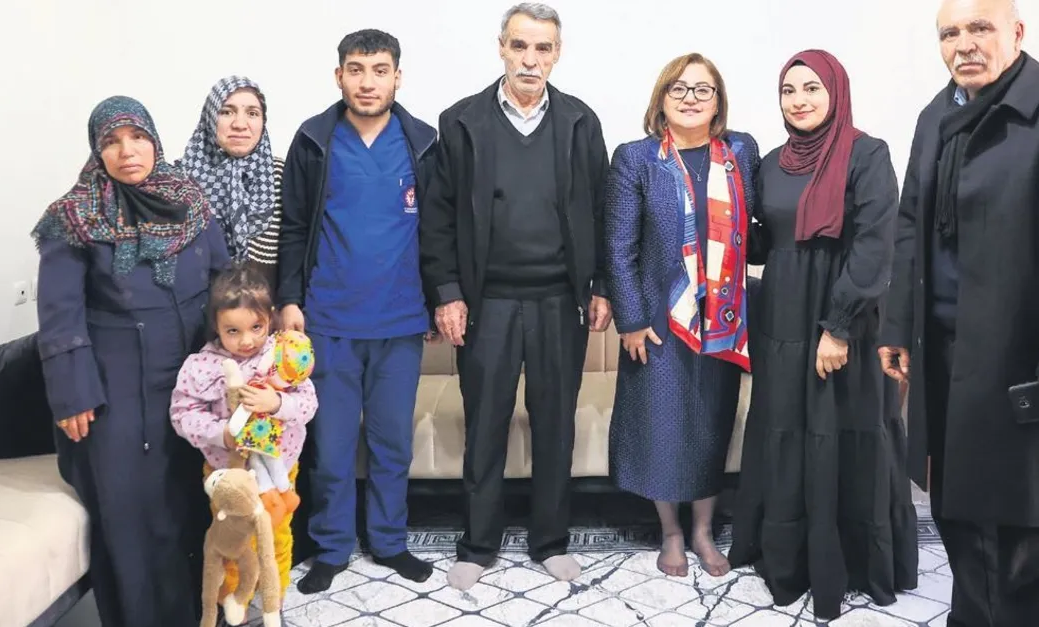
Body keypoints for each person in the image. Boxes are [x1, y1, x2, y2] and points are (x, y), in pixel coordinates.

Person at [878, 1, 1039, 624]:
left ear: (1016, 33)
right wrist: (897, 325)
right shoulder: (935, 117)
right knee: (960, 519)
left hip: (1026, 361)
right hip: (944, 359)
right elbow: (909, 226)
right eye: (950, 33)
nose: (964, 44)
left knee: (1020, 542)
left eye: (980, 27)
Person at [420, 2, 611, 591]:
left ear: (557, 54)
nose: (530, 59)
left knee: (555, 424)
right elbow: (438, 217)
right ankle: (478, 545)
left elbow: (602, 210)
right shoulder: (460, 122)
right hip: (488, 303)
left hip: (560, 300)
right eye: (520, 46)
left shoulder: (580, 121)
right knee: (486, 423)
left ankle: (550, 541)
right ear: (501, 47)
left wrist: (601, 285)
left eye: (542, 48)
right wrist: (447, 293)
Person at [726, 50, 918, 621]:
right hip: (782, 315)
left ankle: (851, 561)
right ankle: (787, 557)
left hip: (844, 318)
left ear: (835, 91)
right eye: (789, 90)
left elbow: (874, 246)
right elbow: (766, 241)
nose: (799, 100)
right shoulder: (771, 163)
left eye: (812, 87)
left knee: (844, 429)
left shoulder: (866, 154)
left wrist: (837, 329)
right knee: (785, 428)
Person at [32, 95, 230, 627]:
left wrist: (243, 358)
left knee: (195, 498)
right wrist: (73, 394)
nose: (127, 151)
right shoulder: (72, 217)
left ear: (155, 141)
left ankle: (202, 614)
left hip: (193, 378)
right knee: (133, 513)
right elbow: (60, 315)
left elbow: (224, 282)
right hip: (117, 387)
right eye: (112, 142)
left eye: (137, 137)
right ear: (97, 152)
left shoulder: (188, 198)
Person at [276, 28, 439, 593]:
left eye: (379, 70)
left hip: (401, 320)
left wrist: (442, 297)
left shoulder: (423, 143)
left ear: (398, 77)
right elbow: (294, 226)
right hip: (328, 321)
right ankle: (331, 547)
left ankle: (390, 542)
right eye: (356, 69)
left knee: (393, 443)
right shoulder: (313, 140)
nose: (368, 82)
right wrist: (289, 299)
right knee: (332, 446)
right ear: (339, 76)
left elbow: (438, 230)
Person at [604, 53, 755, 579]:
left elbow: (756, 229)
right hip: (658, 321)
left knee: (711, 425)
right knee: (661, 426)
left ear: (718, 101)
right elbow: (618, 246)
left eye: (702, 89)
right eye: (679, 89)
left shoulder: (740, 153)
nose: (691, 98)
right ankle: (670, 532)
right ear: (661, 98)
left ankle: (703, 531)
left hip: (723, 321)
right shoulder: (636, 158)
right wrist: (630, 319)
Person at [170, 264, 318, 614]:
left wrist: (277, 403)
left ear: (271, 318)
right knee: (233, 543)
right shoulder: (202, 365)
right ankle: (232, 606)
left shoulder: (281, 356)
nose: (247, 340)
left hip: (280, 471)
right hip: (228, 476)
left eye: (256, 327)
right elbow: (182, 415)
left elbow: (309, 403)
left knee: (277, 540)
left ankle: (273, 604)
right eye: (232, 331)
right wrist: (221, 434)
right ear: (216, 326)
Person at [180, 76, 286, 294]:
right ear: (210, 117)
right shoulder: (181, 179)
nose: (239, 124)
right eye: (227, 112)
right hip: (197, 307)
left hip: (265, 308)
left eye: (252, 113)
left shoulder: (280, 174)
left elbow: (296, 249)